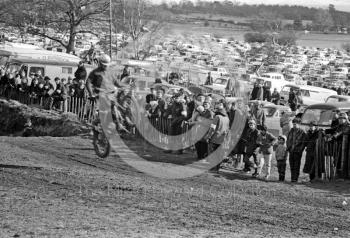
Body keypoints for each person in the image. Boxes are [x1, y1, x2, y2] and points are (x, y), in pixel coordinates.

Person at [204, 99, 230, 172]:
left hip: (214, 138)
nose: (218, 105)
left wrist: (208, 136)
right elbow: (227, 130)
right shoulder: (227, 118)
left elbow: (212, 128)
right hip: (222, 139)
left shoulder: (217, 117)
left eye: (219, 104)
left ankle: (212, 167)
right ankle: (217, 168)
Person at [287, 117, 306, 183]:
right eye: (293, 124)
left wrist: (300, 150)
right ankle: (292, 178)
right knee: (291, 165)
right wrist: (288, 148)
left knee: (296, 165)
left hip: (297, 151)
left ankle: (295, 178)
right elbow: (288, 140)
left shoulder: (302, 132)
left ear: (299, 124)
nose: (294, 125)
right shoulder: (291, 131)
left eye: (295, 124)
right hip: (291, 150)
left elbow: (303, 143)